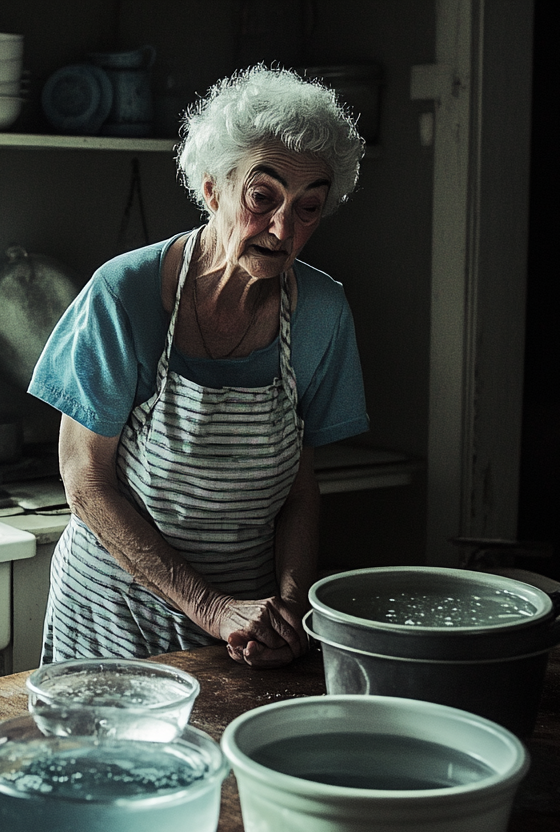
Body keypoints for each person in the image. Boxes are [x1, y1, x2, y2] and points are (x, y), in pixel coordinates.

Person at [28, 64, 370, 669]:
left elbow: (300, 489)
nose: (283, 229)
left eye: (308, 208)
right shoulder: (125, 294)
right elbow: (86, 483)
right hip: (113, 621)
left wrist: (287, 611)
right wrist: (209, 607)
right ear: (213, 187)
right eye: (262, 198)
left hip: (241, 635)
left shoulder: (322, 313)